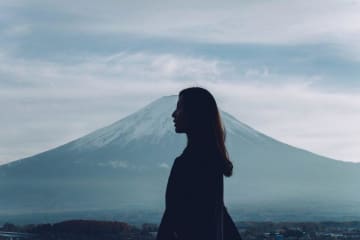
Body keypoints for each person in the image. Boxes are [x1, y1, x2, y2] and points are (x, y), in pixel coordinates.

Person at [156, 87, 242, 240]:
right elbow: (220, 216)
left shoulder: (186, 163)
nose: (173, 114)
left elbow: (172, 218)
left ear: (194, 114)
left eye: (179, 108)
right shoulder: (212, 162)